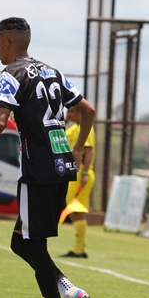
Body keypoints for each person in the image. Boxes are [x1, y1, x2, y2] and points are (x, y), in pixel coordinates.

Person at [0, 17, 95, 298]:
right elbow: (88, 111)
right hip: (62, 166)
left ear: (7, 42)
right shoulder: (54, 71)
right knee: (21, 243)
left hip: (38, 170)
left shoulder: (11, 74)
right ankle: (68, 292)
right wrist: (77, 149)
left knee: (30, 245)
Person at [60, 105, 95, 259]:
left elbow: (88, 151)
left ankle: (78, 250)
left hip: (81, 175)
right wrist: (66, 121)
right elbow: (60, 135)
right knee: (73, 210)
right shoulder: (74, 129)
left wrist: (85, 173)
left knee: (76, 210)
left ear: (80, 113)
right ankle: (80, 247)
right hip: (74, 175)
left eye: (71, 111)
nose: (69, 113)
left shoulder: (85, 128)